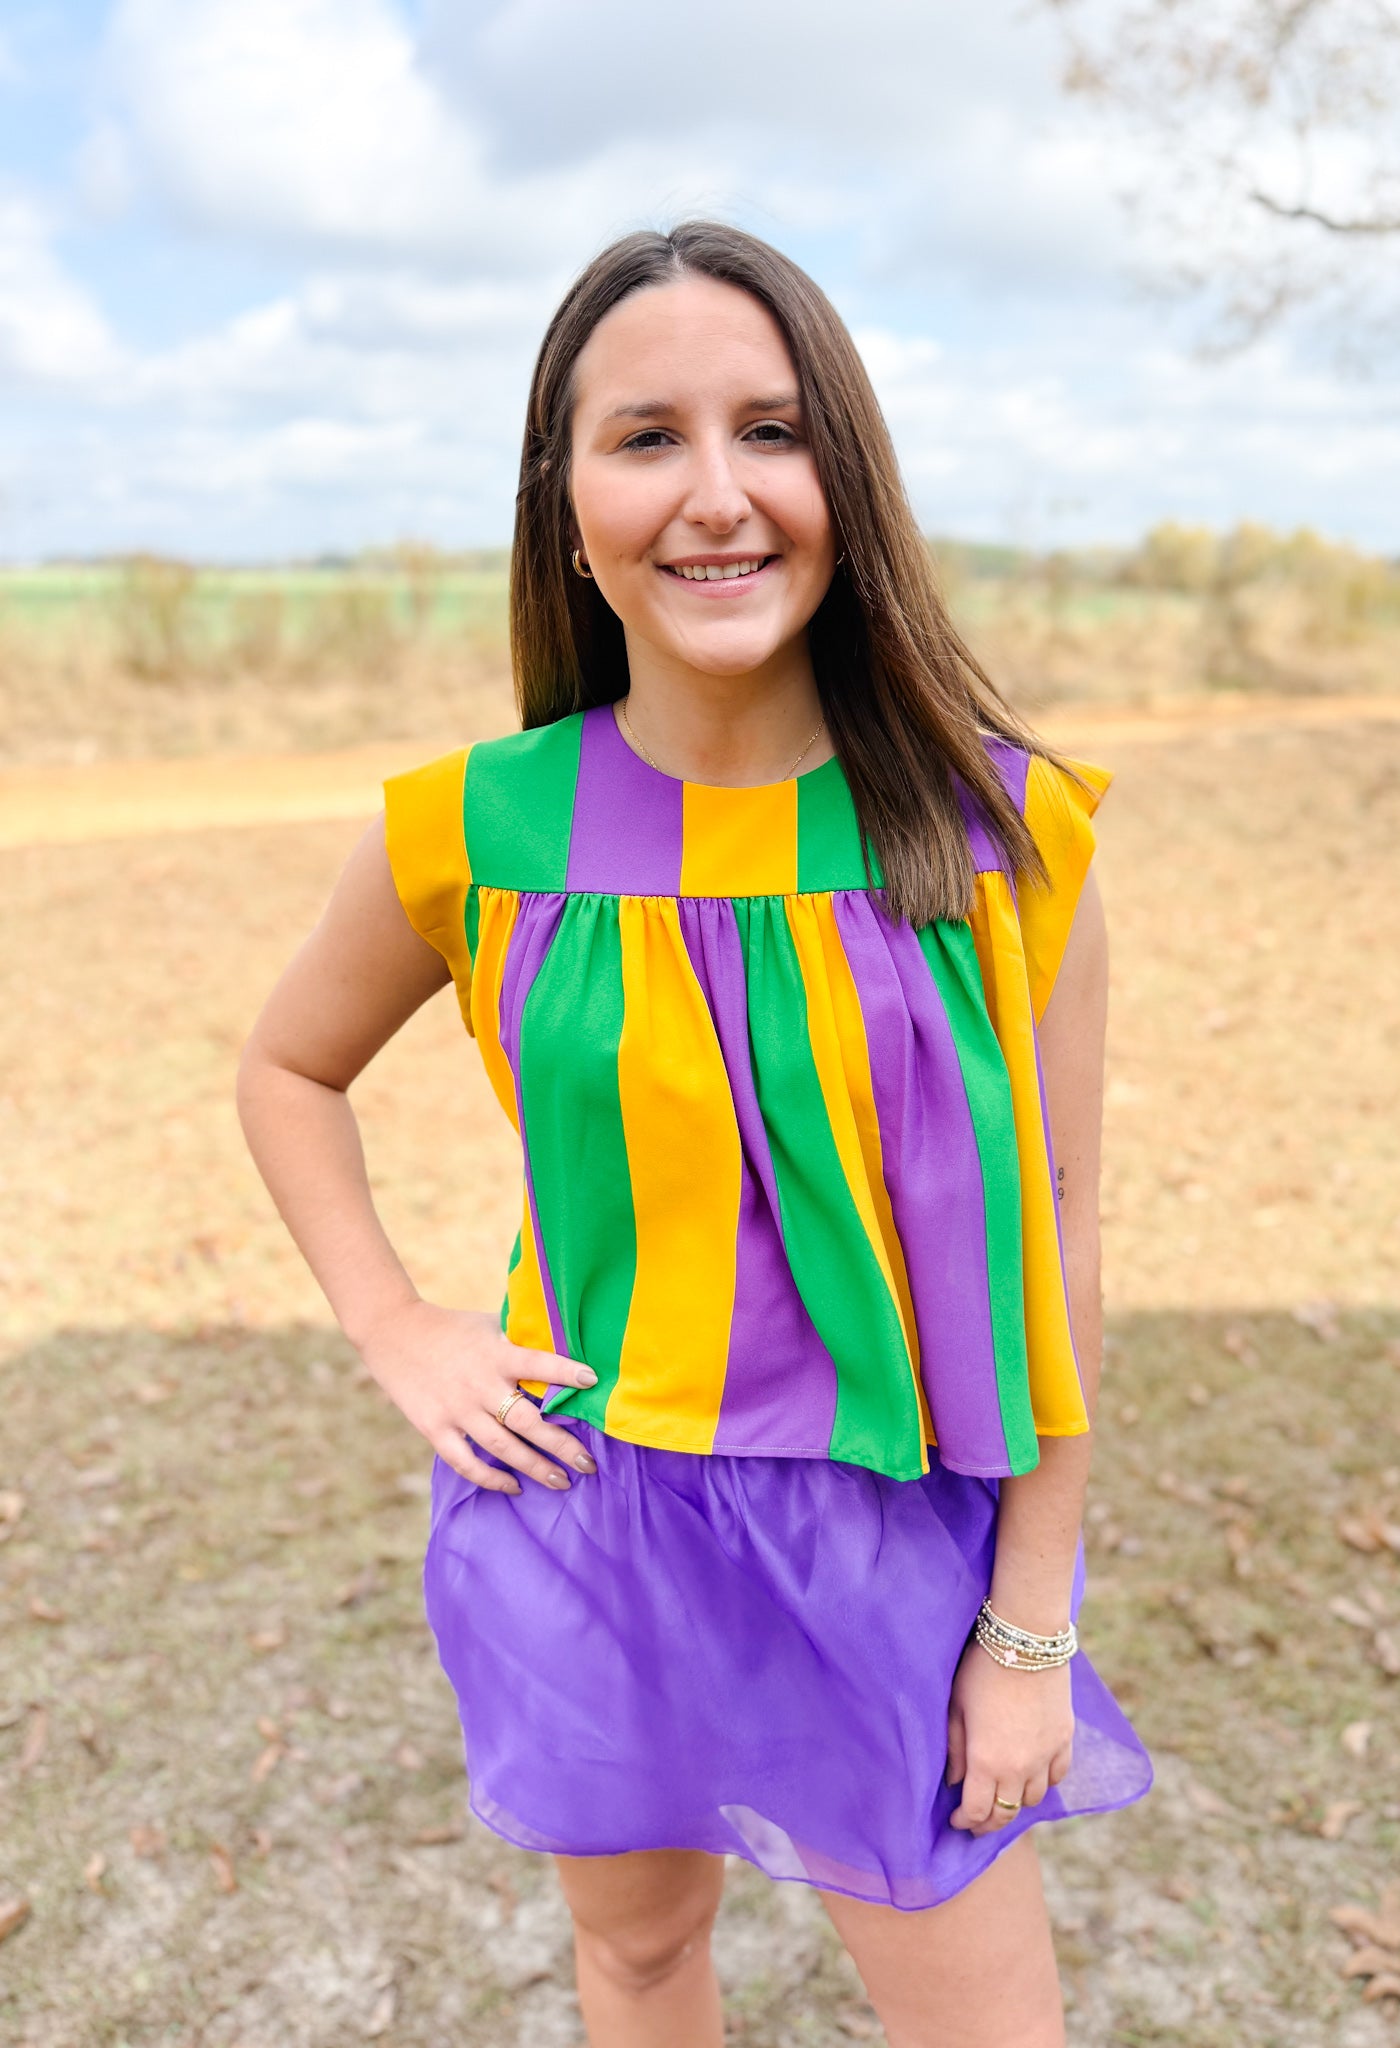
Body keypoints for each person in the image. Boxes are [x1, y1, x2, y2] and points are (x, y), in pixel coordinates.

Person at [237, 220, 1152, 2048]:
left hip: (895, 1534)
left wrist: (1030, 1624)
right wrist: (396, 1324)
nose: (716, 494)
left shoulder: (1003, 836)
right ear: (565, 502)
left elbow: (1056, 1240)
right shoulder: (471, 827)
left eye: (773, 430)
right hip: (588, 1513)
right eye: (646, 436)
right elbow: (286, 1070)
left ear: (848, 480)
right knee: (645, 1957)